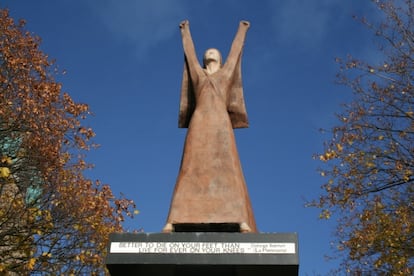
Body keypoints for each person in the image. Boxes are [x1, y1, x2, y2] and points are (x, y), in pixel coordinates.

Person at [164, 20, 257, 233]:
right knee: (189, 168)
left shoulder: (225, 74)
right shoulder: (198, 75)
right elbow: (190, 55)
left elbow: (235, 53)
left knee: (229, 171)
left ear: (220, 59)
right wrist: (185, 32)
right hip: (199, 124)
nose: (210, 53)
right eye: (208, 52)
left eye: (214, 51)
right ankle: (174, 219)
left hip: (222, 126)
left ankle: (240, 219)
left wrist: (242, 30)